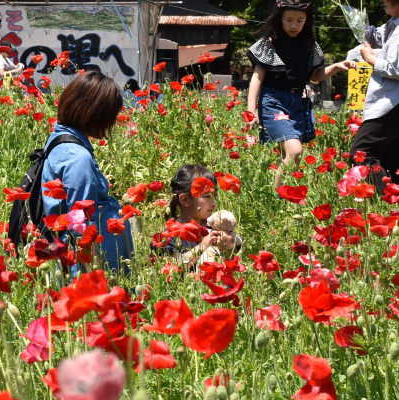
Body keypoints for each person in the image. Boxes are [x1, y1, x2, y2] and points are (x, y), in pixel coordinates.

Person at [246, 0, 356, 189]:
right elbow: (257, 78)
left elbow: (315, 76)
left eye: (300, 20)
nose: (294, 25)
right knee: (295, 151)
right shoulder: (270, 42)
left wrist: (336, 67)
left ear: (307, 20)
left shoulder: (309, 45)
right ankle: (281, 195)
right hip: (274, 102)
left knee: (288, 156)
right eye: (288, 20)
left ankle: (280, 202)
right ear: (279, 18)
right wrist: (250, 111)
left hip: (297, 103)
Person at [41, 71, 133, 274]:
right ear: (95, 114)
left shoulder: (60, 140)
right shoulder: (77, 158)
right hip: (91, 266)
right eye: (111, 114)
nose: (114, 121)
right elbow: (81, 225)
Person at [350, 0, 399, 194]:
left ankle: (383, 201)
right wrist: (357, 21)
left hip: (392, 102)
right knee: (391, 156)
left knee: (362, 153)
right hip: (389, 100)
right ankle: (392, 209)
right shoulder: (392, 23)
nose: (383, 2)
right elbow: (375, 35)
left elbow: (396, 68)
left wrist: (371, 59)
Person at [153, 164, 237, 266]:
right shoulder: (170, 235)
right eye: (207, 196)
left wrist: (230, 247)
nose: (213, 202)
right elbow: (169, 268)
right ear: (185, 200)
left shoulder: (217, 228)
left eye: (215, 196)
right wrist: (202, 247)